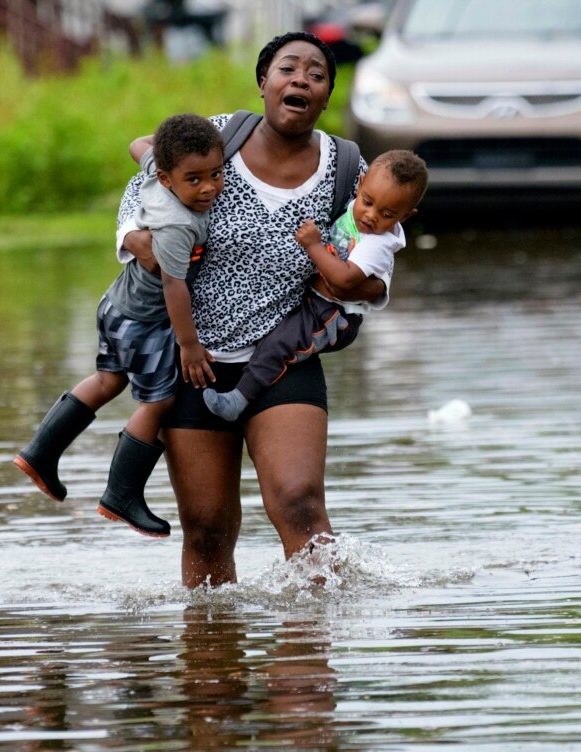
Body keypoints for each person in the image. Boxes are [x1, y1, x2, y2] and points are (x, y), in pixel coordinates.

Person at [118, 31, 386, 587]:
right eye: (288, 68)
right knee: (207, 527)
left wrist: (367, 285)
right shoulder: (218, 136)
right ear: (263, 82)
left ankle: (312, 653)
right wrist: (135, 239)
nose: (301, 79)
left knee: (299, 502)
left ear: (326, 97)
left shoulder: (348, 168)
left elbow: (381, 237)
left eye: (316, 75)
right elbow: (144, 183)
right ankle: (211, 660)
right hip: (193, 359)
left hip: (283, 356)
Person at [13, 113, 224, 538]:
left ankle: (40, 452)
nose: (208, 188)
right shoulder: (178, 224)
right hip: (145, 321)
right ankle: (121, 494)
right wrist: (188, 345)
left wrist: (163, 150)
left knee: (108, 380)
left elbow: (136, 144)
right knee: (158, 402)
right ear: (167, 180)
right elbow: (173, 284)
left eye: (216, 174)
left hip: (114, 306)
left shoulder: (155, 170)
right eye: (194, 179)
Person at [203, 150, 427, 421]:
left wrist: (312, 246)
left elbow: (343, 280)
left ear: (405, 216)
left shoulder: (378, 244)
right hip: (315, 301)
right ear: (361, 182)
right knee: (273, 335)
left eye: (387, 214)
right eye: (367, 202)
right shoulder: (352, 206)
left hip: (332, 316)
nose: (371, 215)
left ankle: (238, 400)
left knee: (280, 344)